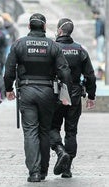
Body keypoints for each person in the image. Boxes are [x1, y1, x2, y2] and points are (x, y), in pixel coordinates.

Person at [4, 13, 72, 182]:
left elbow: (9, 69)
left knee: (30, 132)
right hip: (47, 92)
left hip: (26, 91)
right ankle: (43, 171)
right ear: (44, 27)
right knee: (44, 131)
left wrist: (8, 89)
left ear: (29, 27)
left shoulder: (19, 44)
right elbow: (65, 71)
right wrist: (66, 93)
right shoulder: (52, 45)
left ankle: (33, 172)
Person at [49, 18, 97, 178]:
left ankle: (60, 150)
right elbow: (90, 75)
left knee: (52, 127)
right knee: (71, 131)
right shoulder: (80, 50)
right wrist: (91, 95)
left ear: (60, 31)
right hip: (75, 93)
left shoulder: (53, 47)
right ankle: (67, 168)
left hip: (56, 93)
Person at [92, 9, 105, 80]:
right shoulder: (102, 20)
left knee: (99, 51)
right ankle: (101, 62)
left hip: (100, 37)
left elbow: (98, 31)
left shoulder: (98, 21)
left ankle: (101, 63)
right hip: (102, 37)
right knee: (100, 51)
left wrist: (95, 39)